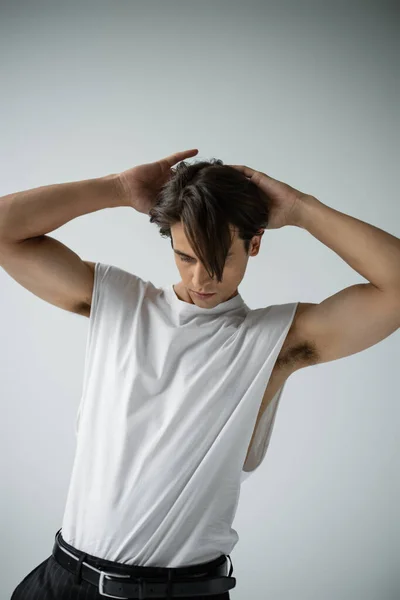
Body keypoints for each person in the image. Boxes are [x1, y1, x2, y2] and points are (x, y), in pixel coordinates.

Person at [2, 149, 399, 599]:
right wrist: (115, 189)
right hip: (61, 581)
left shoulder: (275, 340)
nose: (201, 278)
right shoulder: (117, 301)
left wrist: (302, 209)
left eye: (219, 259)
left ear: (254, 243)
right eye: (186, 256)